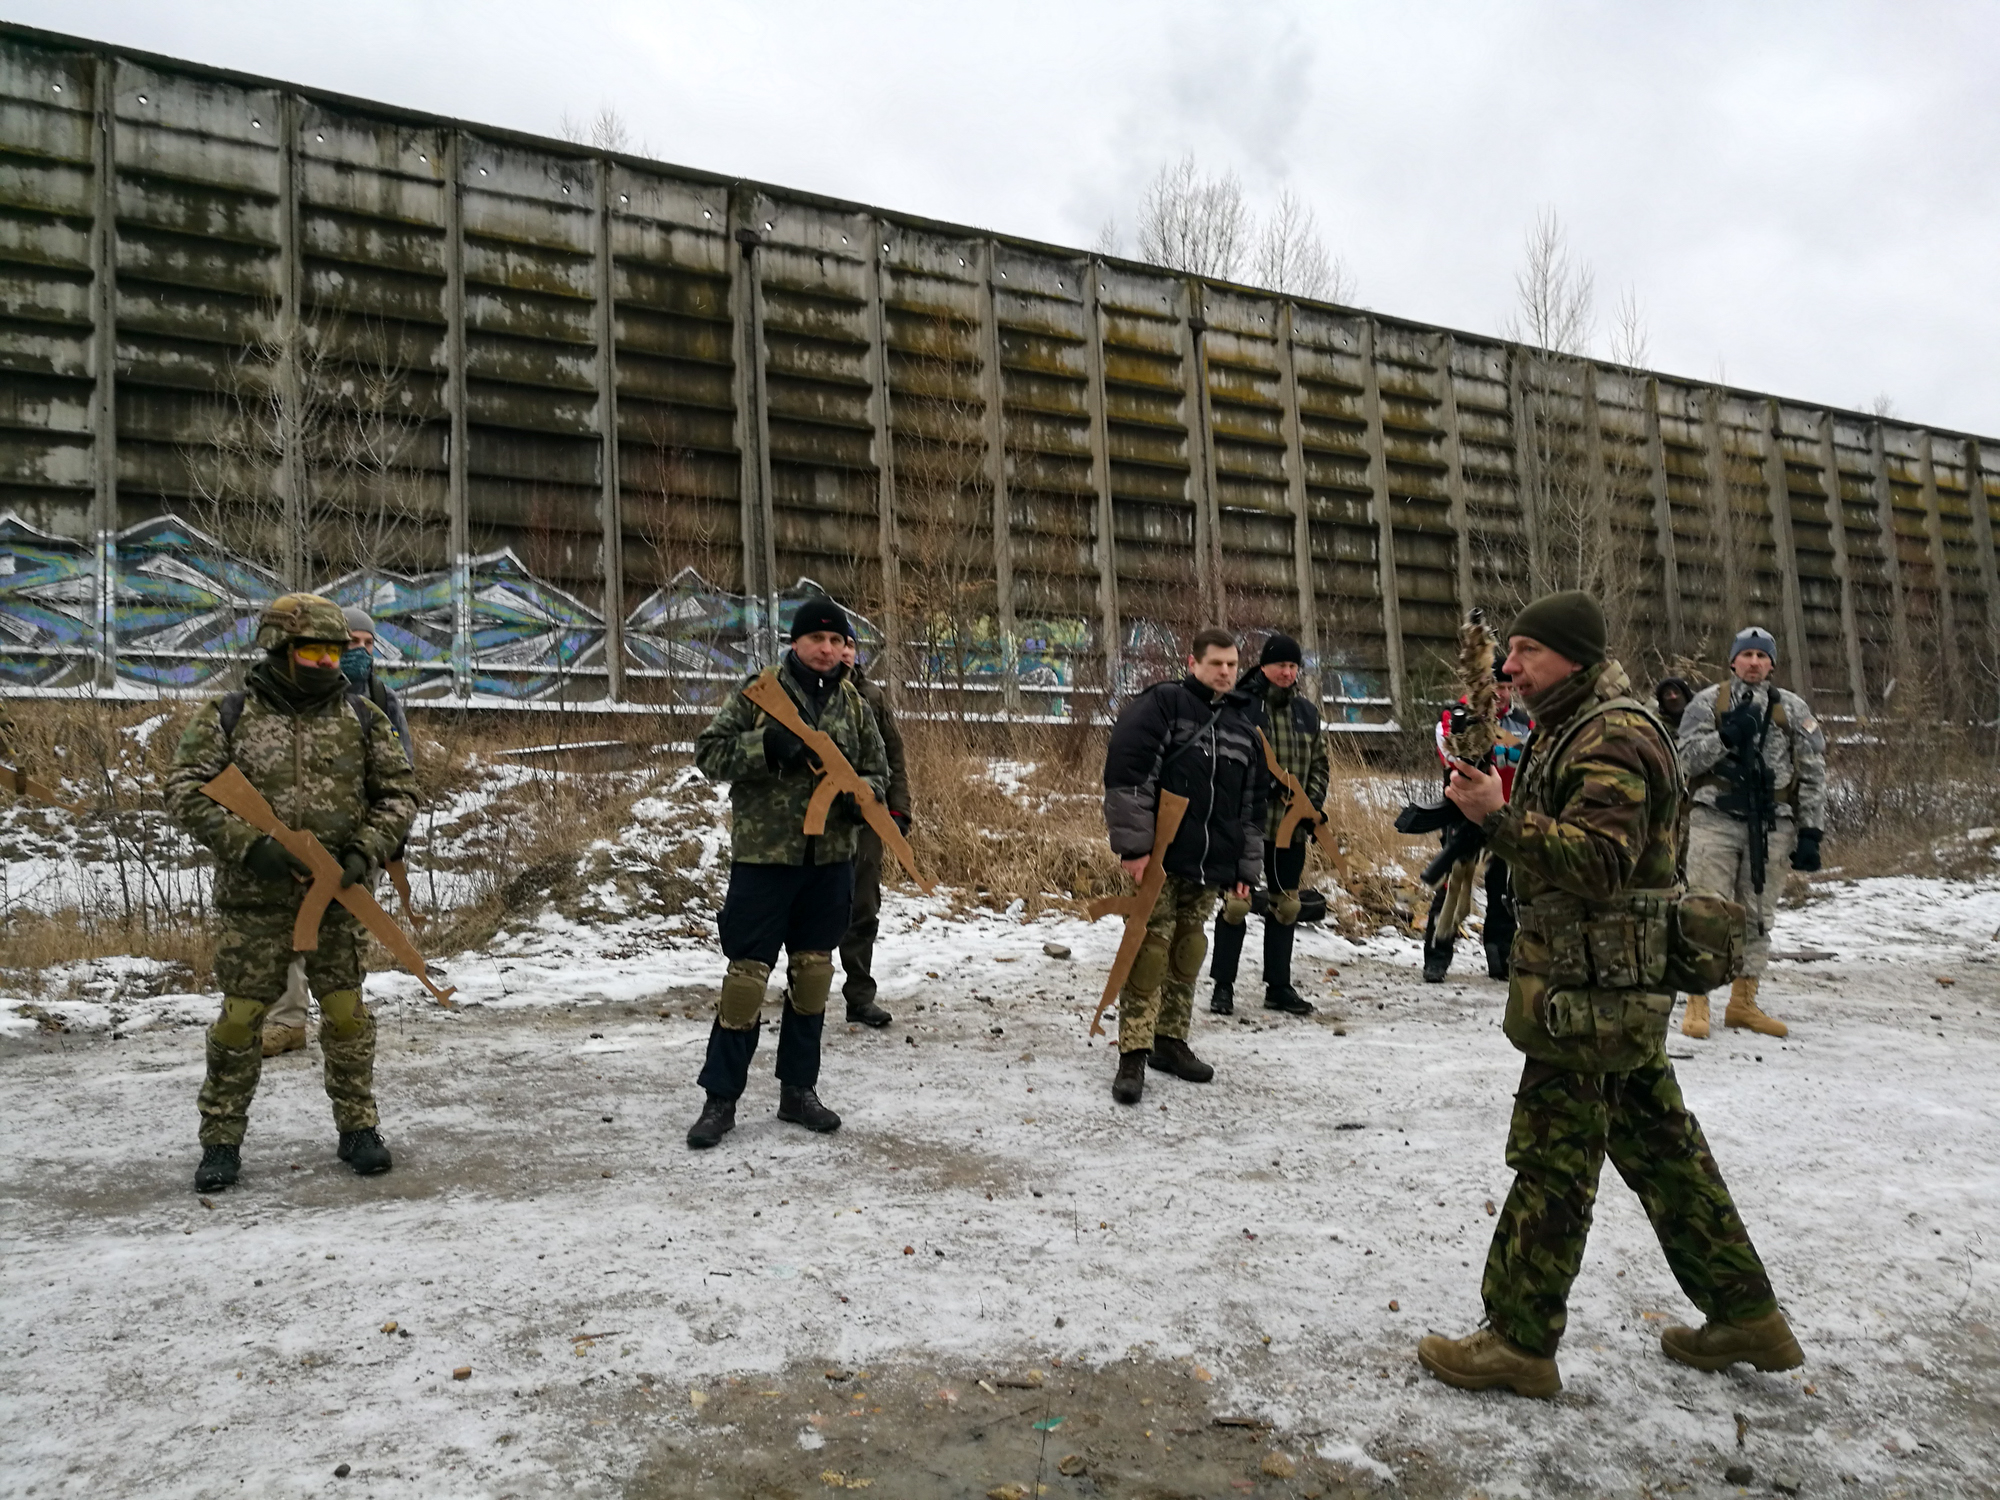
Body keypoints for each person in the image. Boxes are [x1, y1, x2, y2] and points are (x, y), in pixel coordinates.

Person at [1416, 589, 1801, 1398]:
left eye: (1526, 653)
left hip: (1593, 995)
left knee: (1554, 1161)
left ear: (1574, 659)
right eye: (1508, 652)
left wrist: (1499, 820)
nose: (1510, 667)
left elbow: (1601, 864)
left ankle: (1519, 1341)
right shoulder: (1573, 724)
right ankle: (1746, 1313)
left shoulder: (1613, 733)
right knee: (1664, 1152)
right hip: (1605, 987)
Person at [166, 593, 419, 1192]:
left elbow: (400, 792)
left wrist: (364, 849)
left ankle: (358, 1128)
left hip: (336, 896)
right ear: (279, 649)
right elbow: (184, 788)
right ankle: (221, 1139)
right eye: (312, 650)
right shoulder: (229, 714)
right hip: (254, 898)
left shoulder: (363, 718)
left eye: (335, 651)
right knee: (241, 1019)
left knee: (345, 1014)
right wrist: (251, 845)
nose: (327, 662)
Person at [684, 595, 889, 1149]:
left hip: (828, 863)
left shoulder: (854, 704)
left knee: (813, 977)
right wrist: (766, 747)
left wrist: (860, 795)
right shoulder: (758, 694)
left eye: (835, 640)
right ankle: (720, 1099)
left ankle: (799, 1092)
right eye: (816, 639)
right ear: (795, 643)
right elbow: (708, 754)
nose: (826, 649)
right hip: (765, 859)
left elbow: (879, 772)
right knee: (746, 980)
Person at [1100, 626, 1268, 1104]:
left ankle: (1171, 1042)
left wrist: (1244, 868)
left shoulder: (1242, 726)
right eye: (1216, 663)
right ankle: (1133, 1051)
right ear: (1193, 663)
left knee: (1188, 950)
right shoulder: (1163, 705)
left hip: (1212, 861)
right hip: (1160, 859)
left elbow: (1251, 806)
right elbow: (1128, 773)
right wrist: (1134, 849)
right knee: (1148, 952)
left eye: (1233, 665)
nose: (1225, 672)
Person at [261, 604, 415, 1058]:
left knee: (346, 935)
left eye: (368, 645)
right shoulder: (296, 698)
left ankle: (343, 1016)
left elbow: (401, 776)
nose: (359, 653)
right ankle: (288, 1019)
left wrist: (389, 842)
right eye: (351, 644)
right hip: (301, 840)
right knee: (291, 927)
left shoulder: (382, 701)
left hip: (362, 844)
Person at [1675, 628, 1826, 1040]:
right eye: (1747, 655)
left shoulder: (1793, 709)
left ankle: (1743, 1002)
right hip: (1715, 819)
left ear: (1773, 664)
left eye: (1763, 656)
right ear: (1733, 661)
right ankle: (1697, 999)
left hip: (1772, 822)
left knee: (1758, 915)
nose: (1755, 662)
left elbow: (1812, 772)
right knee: (1704, 909)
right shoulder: (1707, 703)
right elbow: (1683, 760)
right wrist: (1725, 738)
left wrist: (1811, 831)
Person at [1207, 632, 1328, 1017]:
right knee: (1237, 905)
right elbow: (1226, 763)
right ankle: (1222, 987)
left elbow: (1321, 764)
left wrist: (1313, 806)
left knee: (1286, 907)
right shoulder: (1240, 706)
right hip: (1247, 828)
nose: (1287, 672)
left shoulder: (1307, 713)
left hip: (1290, 829)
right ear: (1264, 667)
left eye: (1293, 666)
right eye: (1281, 665)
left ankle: (1278, 987)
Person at [1421, 662, 1533, 983]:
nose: (1502, 693)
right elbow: (1453, 752)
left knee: (1503, 889)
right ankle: (1437, 955)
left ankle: (1501, 957)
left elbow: (1534, 756)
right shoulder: (1455, 715)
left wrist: (1502, 743)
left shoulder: (1524, 722)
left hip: (1505, 812)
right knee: (1451, 885)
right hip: (1463, 812)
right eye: (1495, 686)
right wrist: (1504, 742)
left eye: (1507, 686)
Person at [836, 629, 911, 1029]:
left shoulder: (873, 697)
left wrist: (898, 812)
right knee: (806, 909)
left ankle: (859, 997)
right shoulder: (798, 696)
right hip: (814, 823)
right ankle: (802, 992)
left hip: (865, 818)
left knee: (863, 907)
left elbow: (894, 756)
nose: (843, 652)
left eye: (849, 645)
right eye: (836, 644)